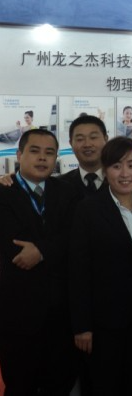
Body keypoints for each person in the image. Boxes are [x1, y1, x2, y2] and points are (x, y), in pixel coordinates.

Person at [69, 137, 132, 396]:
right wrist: (82, 326)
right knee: (103, 386)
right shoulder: (88, 210)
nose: (125, 173)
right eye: (116, 166)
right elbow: (78, 271)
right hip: (102, 325)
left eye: (131, 165)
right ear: (105, 170)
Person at [0, 129, 78, 396]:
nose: (43, 158)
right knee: (19, 385)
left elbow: (74, 237)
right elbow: (11, 245)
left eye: (49, 153)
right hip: (18, 313)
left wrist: (42, 250)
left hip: (62, 315)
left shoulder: (68, 192)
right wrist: (53, 248)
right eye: (34, 151)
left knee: (60, 384)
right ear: (19, 154)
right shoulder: (3, 192)